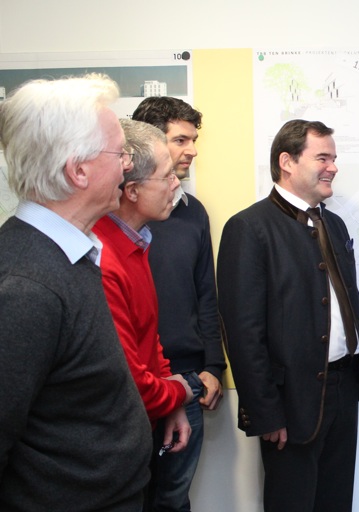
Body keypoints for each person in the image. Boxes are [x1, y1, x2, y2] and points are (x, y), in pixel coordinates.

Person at [217, 119, 359, 512]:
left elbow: (351, 304)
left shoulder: (334, 223)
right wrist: (265, 412)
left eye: (334, 158)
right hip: (290, 401)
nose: (333, 167)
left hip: (344, 387)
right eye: (323, 158)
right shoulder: (248, 228)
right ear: (287, 162)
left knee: (336, 502)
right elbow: (242, 334)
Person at [0, 74, 152, 510]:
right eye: (119, 153)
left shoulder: (72, 254)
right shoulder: (26, 287)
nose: (127, 165)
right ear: (78, 170)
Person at [132, 97, 225, 512]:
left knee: (172, 499)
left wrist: (213, 366)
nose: (192, 150)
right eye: (181, 140)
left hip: (187, 380)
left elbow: (206, 294)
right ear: (150, 143)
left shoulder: (193, 213)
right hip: (130, 382)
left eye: (194, 140)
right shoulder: (115, 214)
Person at [92, 120, 194, 481]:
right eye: (166, 177)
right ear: (132, 191)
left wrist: (170, 402)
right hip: (113, 443)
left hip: (143, 425)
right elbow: (130, 380)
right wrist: (179, 392)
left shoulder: (135, 241)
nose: (176, 184)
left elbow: (148, 336)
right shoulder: (103, 258)